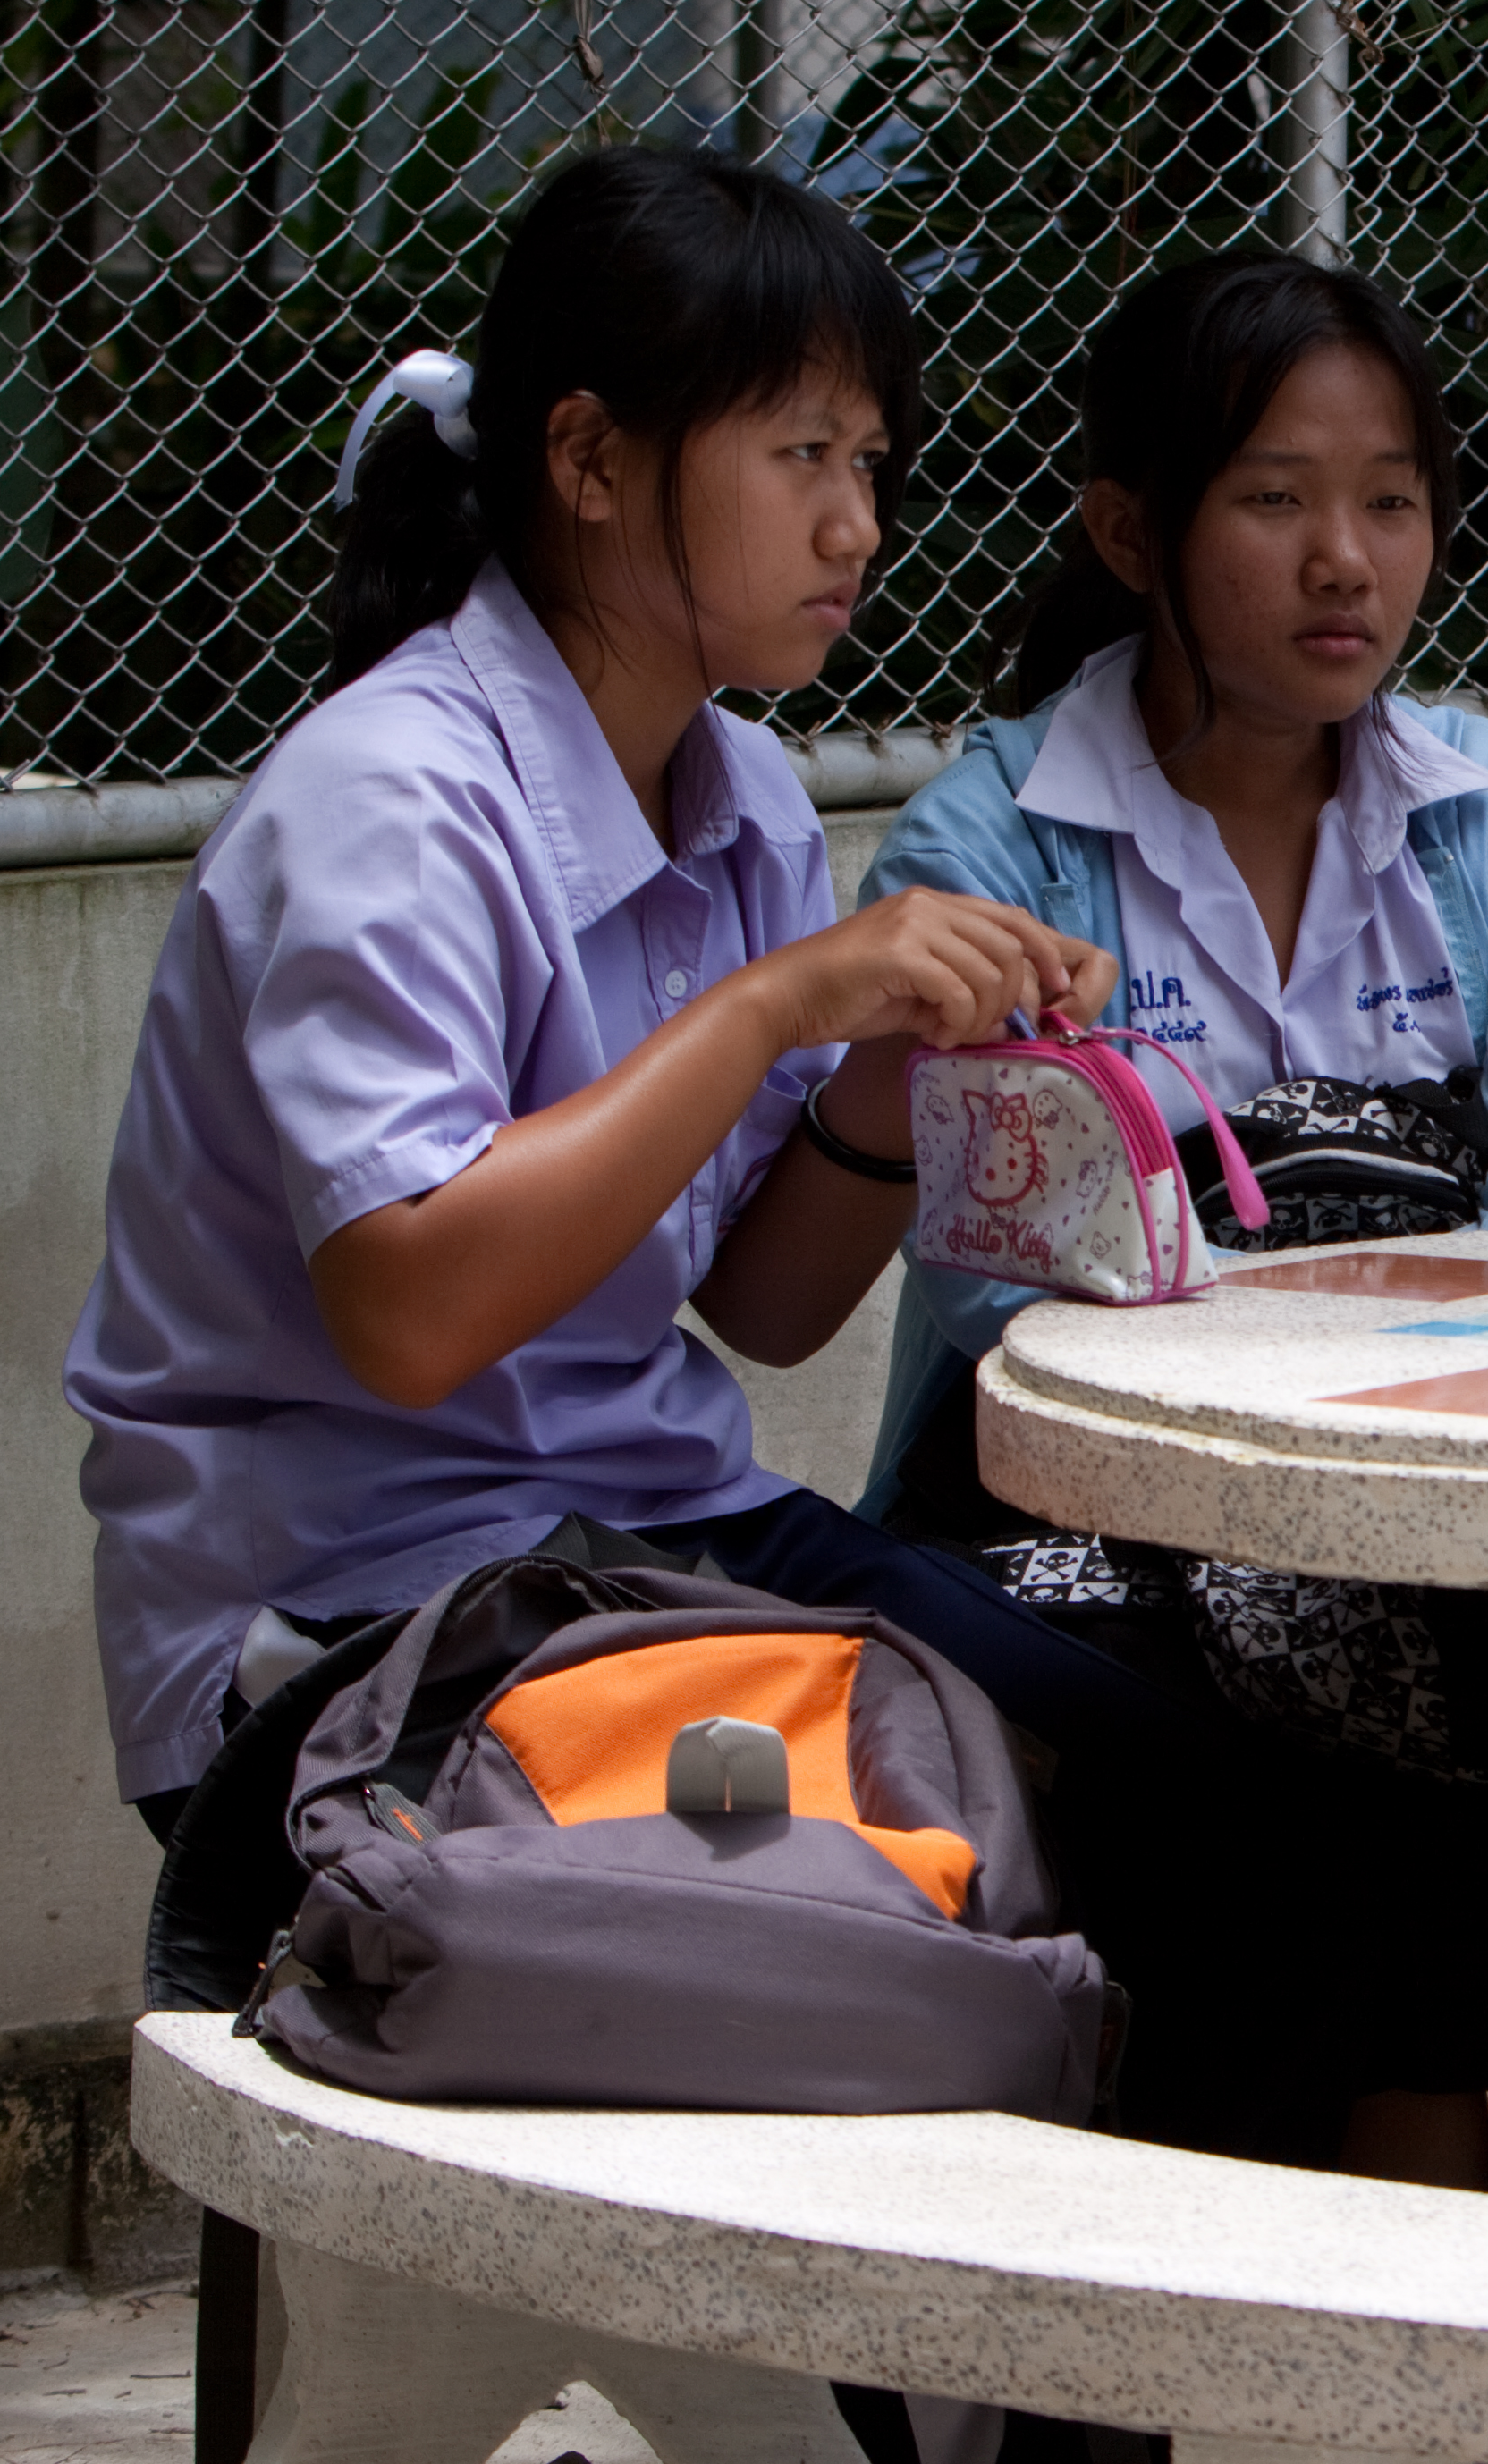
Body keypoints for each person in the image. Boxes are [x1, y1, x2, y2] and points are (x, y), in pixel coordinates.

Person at [69, 143, 1174, 1856]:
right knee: (856, 1859)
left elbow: (765, 1306)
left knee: (1152, 1771)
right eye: (800, 453)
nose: (856, 525)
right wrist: (772, 1007)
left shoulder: (745, 794)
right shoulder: (393, 795)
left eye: (869, 461)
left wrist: (899, 1063)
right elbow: (412, 1315)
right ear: (589, 459)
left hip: (652, 1529)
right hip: (353, 1608)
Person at [851, 249, 1488, 2202]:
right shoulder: (992, 849)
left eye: (1391, 500)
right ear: (1130, 531)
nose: (1346, 563)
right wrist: (1365, 1346)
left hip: (1460, 1486)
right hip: (1097, 1519)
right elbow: (1008, 1282)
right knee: (1313, 1854)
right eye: (1277, 499)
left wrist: (1372, 1407)